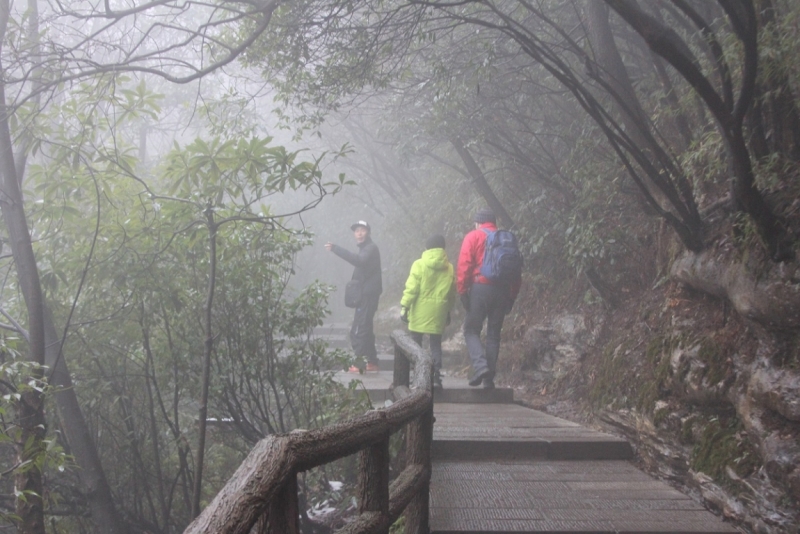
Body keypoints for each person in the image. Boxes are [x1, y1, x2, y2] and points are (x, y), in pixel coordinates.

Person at [457, 208, 521, 389]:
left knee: (471, 330)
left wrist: (462, 291)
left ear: (478, 222)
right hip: (502, 290)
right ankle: (489, 379)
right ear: (494, 222)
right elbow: (516, 270)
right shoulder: (506, 239)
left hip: (480, 288)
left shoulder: (474, 236)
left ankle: (481, 366)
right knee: (494, 335)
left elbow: (464, 265)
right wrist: (512, 296)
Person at [400, 234, 456, 389]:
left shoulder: (419, 264)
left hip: (419, 310)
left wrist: (404, 306)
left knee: (416, 344)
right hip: (439, 311)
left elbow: (412, 288)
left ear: (426, 247)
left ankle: (417, 376)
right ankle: (436, 376)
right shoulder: (449, 267)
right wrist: (448, 311)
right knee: (435, 343)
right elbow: (452, 293)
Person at [325, 220, 382, 372]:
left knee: (358, 330)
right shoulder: (366, 249)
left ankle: (360, 363)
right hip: (366, 295)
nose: (359, 233)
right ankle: (371, 362)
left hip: (368, 296)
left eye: (362, 230)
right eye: (357, 231)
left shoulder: (370, 248)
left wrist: (336, 249)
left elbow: (359, 260)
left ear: (368, 232)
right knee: (366, 329)